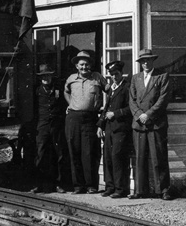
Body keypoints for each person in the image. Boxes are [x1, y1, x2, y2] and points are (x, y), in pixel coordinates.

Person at [129, 49, 172, 200]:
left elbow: (163, 99)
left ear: (153, 61)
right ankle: (140, 190)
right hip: (139, 123)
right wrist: (139, 115)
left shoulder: (162, 76)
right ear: (140, 63)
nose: (145, 63)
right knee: (140, 158)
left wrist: (148, 114)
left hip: (155, 123)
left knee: (158, 157)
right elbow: (132, 100)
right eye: (143, 61)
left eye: (148, 60)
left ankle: (163, 190)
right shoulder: (135, 78)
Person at [64, 50, 106, 194]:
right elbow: (66, 91)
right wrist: (70, 104)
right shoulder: (71, 79)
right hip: (73, 118)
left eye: (87, 64)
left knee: (89, 152)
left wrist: (104, 109)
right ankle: (78, 185)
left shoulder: (97, 77)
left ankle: (91, 185)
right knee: (74, 150)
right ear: (76, 65)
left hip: (90, 118)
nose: (84, 67)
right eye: (81, 65)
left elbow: (111, 92)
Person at [30, 64, 68, 194]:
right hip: (42, 125)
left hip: (57, 126)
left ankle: (59, 184)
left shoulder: (58, 89)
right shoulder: (37, 90)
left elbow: (64, 106)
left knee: (59, 155)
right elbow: (33, 109)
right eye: (43, 76)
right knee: (40, 154)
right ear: (40, 78)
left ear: (51, 76)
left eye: (48, 75)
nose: (46, 78)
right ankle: (38, 184)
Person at [97, 60, 133, 199]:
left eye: (116, 73)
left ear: (121, 73)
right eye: (111, 74)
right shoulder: (112, 88)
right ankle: (109, 186)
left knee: (117, 157)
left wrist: (116, 114)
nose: (114, 77)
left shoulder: (126, 87)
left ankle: (120, 188)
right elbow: (106, 108)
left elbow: (131, 108)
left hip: (121, 128)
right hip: (109, 128)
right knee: (107, 158)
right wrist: (100, 125)